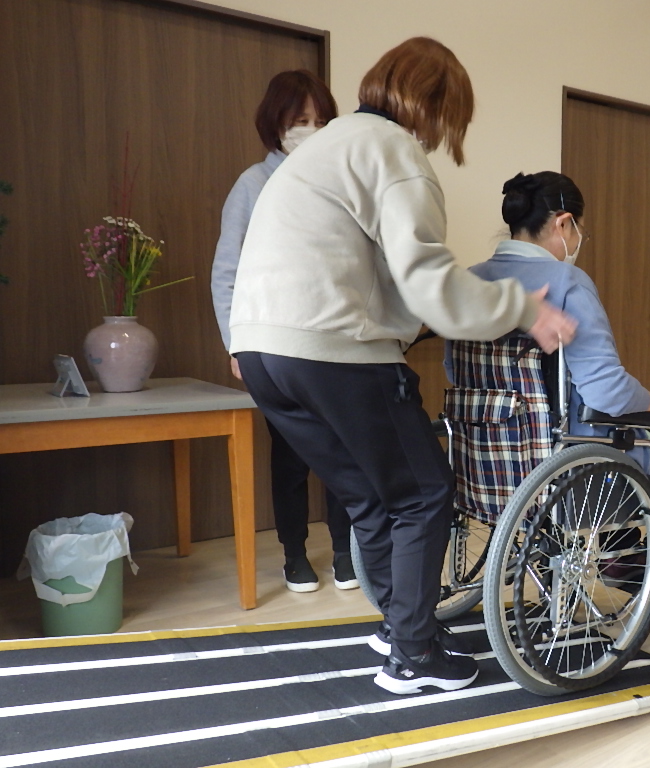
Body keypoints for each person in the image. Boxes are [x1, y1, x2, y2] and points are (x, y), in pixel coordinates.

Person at [229, 38, 576, 695]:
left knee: (369, 496)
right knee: (423, 494)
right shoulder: (393, 152)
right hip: (332, 351)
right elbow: (431, 285)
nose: (443, 136)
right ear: (434, 104)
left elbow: (366, 266)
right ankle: (413, 655)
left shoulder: (325, 147)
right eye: (450, 118)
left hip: (262, 350)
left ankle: (401, 627)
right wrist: (524, 309)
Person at [210, 71, 358, 594]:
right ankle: (294, 553)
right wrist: (236, 344)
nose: (311, 131)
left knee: (342, 452)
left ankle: (345, 552)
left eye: (321, 121)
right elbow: (227, 271)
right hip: (273, 344)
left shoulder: (336, 183)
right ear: (276, 124)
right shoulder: (253, 184)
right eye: (300, 121)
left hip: (332, 342)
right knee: (292, 456)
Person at [448, 171, 650, 457]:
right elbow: (606, 391)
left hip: (480, 457)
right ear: (563, 223)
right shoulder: (567, 282)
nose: (578, 242)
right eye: (579, 231)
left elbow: (454, 370)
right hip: (562, 456)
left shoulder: (471, 280)